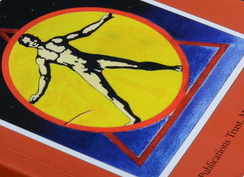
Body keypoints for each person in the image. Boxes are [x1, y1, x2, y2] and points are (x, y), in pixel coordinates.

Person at [17, 13, 182, 125]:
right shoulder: (41, 58)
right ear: (28, 46)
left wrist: (102, 20)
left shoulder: (56, 41)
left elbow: (83, 33)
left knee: (135, 64)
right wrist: (38, 94)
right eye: (28, 42)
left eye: (31, 37)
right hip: (84, 71)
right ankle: (133, 118)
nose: (32, 41)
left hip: (94, 60)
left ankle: (173, 67)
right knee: (110, 95)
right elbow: (45, 77)